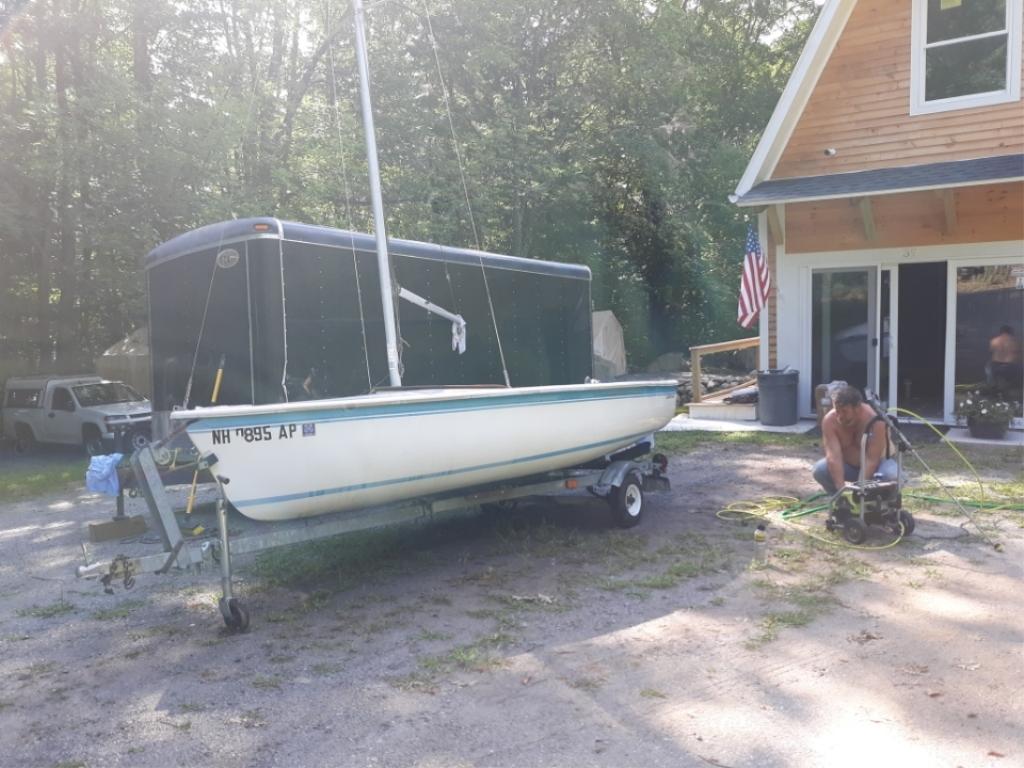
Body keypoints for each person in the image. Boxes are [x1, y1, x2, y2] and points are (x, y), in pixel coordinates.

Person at [812, 385, 898, 517]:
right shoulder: (830, 421)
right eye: (837, 410)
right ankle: (842, 504)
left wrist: (859, 491)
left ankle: (884, 508)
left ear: (858, 408)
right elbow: (833, 457)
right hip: (850, 467)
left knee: (891, 475)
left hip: (878, 467)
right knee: (820, 470)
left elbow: (871, 460)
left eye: (844, 411)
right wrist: (842, 491)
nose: (840, 416)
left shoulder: (876, 420)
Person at [988, 325, 1023, 394]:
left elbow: (991, 351)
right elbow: (1020, 356)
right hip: (1012, 366)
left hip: (996, 366)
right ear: (1011, 332)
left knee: (988, 367)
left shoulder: (994, 341)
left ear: (1001, 332)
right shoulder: (1016, 341)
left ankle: (992, 384)